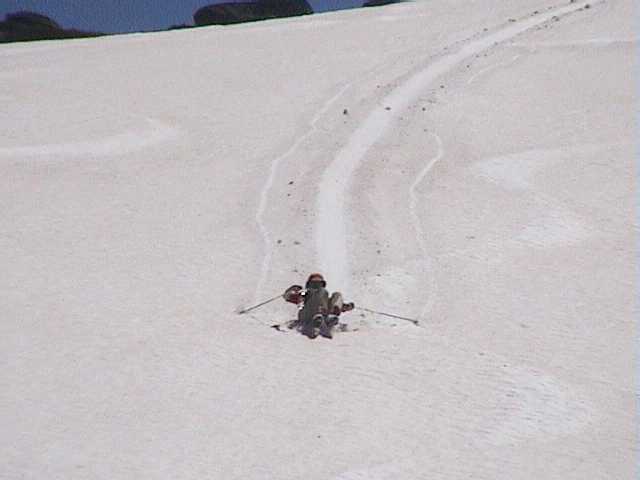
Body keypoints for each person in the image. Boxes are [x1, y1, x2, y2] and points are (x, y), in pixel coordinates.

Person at [283, 273, 354, 339]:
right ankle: (321, 318)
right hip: (307, 315)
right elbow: (288, 296)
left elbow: (334, 304)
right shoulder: (305, 293)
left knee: (337, 294)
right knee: (323, 292)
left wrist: (347, 306)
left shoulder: (324, 296)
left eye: (319, 284)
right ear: (309, 285)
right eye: (314, 284)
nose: (317, 286)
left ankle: (329, 317)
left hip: (324, 313)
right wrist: (294, 290)